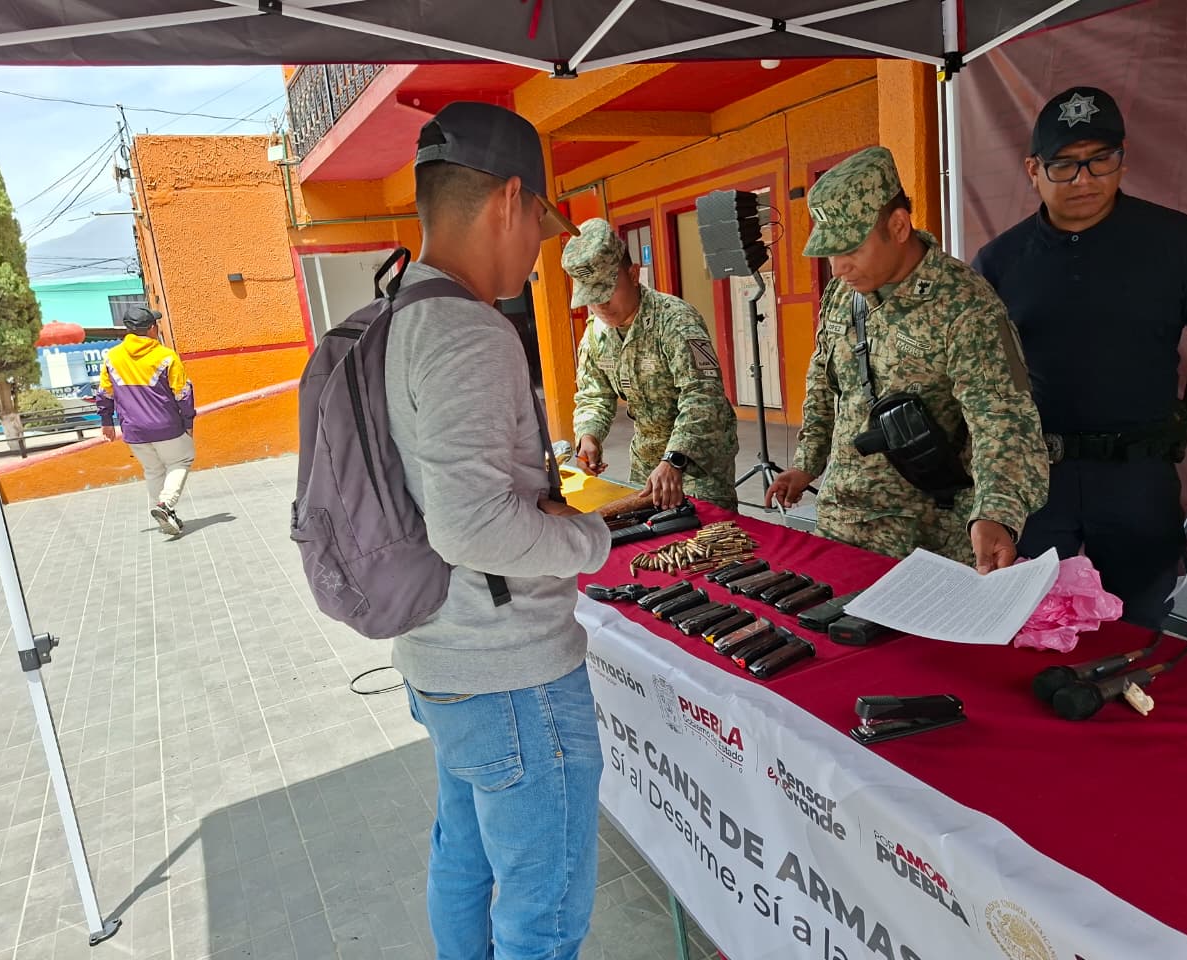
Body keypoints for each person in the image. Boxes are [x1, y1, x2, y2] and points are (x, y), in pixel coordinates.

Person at [383, 101, 612, 960]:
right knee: (541, 918)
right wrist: (590, 542)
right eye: (541, 226)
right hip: (511, 671)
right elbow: (472, 525)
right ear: (512, 201)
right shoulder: (468, 331)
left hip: (443, 654)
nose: (540, 250)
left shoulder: (397, 310)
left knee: (466, 862)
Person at [973, 86, 1187, 626]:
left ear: (1122, 160)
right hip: (1037, 480)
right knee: (1030, 625)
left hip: (1139, 479)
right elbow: (975, 384)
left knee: (1138, 632)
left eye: (1100, 160)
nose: (1084, 179)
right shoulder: (998, 263)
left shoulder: (1178, 243)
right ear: (1031, 170)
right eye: (1063, 165)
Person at [767, 147, 1049, 571]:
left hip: (924, 541)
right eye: (830, 251)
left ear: (898, 226)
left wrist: (996, 513)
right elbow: (825, 382)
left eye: (851, 249)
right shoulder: (844, 296)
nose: (838, 267)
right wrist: (807, 463)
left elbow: (1002, 419)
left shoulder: (965, 306)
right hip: (840, 522)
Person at [566, 218, 739, 510]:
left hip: (698, 463)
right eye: (591, 297)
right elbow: (593, 393)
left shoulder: (676, 320)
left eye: (607, 291)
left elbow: (702, 396)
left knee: (707, 543)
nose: (599, 305)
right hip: (646, 460)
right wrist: (589, 435)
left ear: (634, 275)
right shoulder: (596, 333)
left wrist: (675, 458)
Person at [96, 306, 195, 536]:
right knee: (182, 460)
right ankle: (166, 505)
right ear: (152, 328)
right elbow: (183, 394)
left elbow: (104, 393)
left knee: (153, 470)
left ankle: (167, 514)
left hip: (134, 431)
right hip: (167, 426)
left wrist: (106, 422)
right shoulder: (166, 356)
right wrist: (189, 422)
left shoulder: (112, 357)